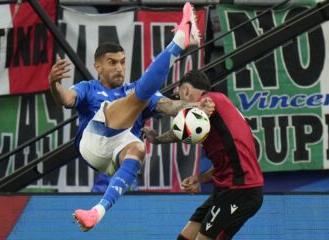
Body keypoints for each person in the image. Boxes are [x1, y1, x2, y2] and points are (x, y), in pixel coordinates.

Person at [48, 2, 213, 231]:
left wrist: (195, 106)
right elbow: (66, 99)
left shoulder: (134, 89)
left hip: (117, 156)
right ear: (98, 66)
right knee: (136, 97)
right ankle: (177, 43)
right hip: (93, 144)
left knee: (139, 148)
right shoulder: (88, 88)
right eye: (112, 63)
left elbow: (169, 106)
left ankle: (97, 212)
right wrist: (54, 83)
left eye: (123, 62)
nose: (119, 68)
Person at [142, 70, 264, 240]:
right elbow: (230, 160)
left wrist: (157, 139)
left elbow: (176, 116)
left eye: (180, 95)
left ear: (185, 91)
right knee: (186, 237)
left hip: (241, 191)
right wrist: (200, 178)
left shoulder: (209, 101)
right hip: (227, 189)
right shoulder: (217, 110)